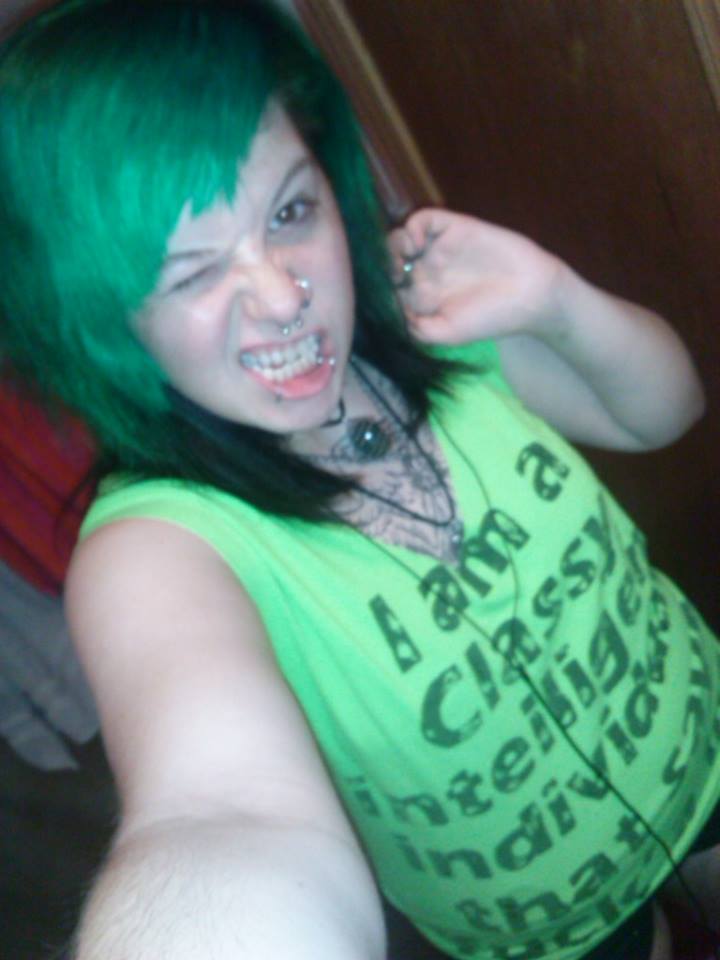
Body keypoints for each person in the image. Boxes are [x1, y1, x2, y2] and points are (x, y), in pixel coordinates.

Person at [0, 1, 718, 958]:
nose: (282, 297)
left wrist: (555, 296)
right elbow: (217, 813)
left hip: (701, 738)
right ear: (100, 318)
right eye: (190, 272)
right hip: (550, 923)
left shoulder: (432, 327)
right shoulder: (156, 550)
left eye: (289, 213)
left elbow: (665, 411)